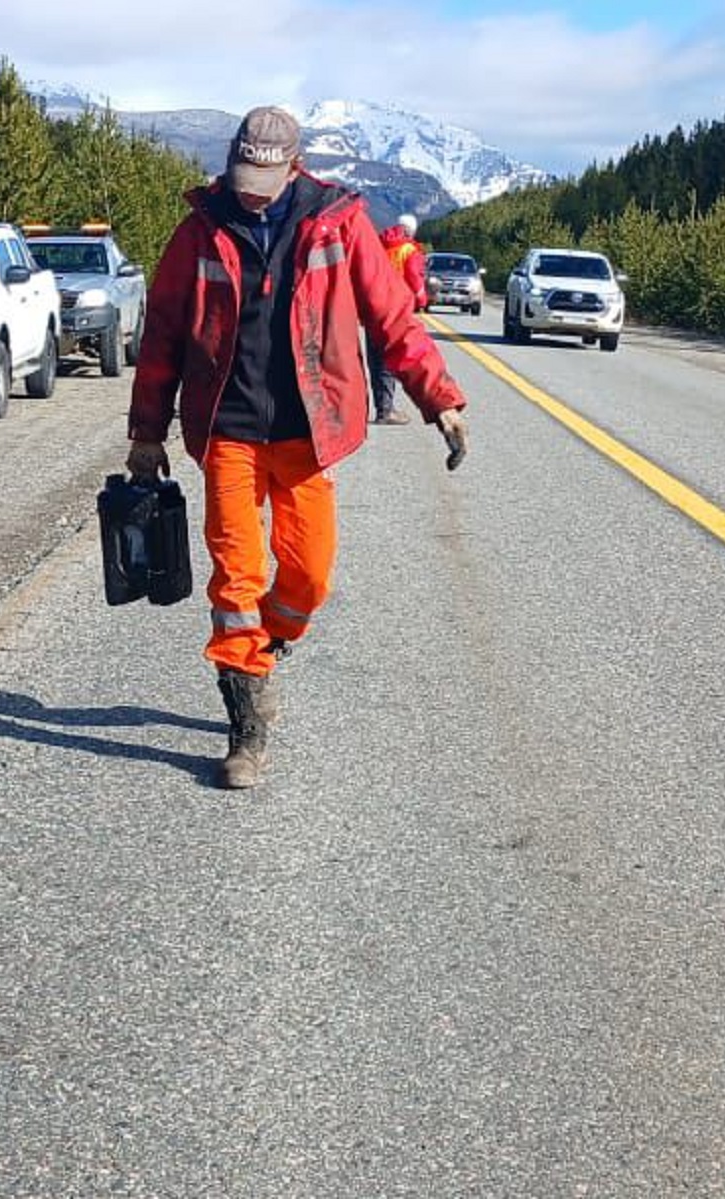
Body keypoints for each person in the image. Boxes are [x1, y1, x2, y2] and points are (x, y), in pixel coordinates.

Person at [125, 106, 470, 789]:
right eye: (241, 174)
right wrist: (145, 431)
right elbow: (162, 332)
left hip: (307, 430)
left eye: (263, 176)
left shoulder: (338, 224)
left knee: (308, 575)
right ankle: (245, 721)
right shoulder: (198, 230)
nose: (250, 189)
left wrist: (440, 399)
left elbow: (392, 319)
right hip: (226, 429)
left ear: (292, 165)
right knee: (235, 578)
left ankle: (271, 642)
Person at [369, 212, 430, 424]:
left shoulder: (378, 245)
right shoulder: (409, 250)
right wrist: (422, 299)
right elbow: (414, 277)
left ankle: (380, 406)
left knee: (375, 360)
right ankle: (386, 411)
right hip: (396, 310)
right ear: (411, 231)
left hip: (373, 308)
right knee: (389, 360)